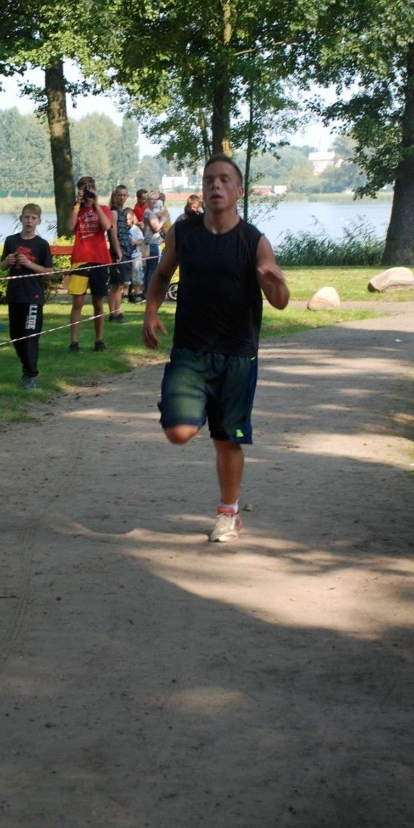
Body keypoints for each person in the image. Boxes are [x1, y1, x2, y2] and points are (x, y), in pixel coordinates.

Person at [142, 154, 289, 542]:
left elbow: (280, 300)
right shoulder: (184, 234)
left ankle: (229, 514)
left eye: (224, 180)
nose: (216, 186)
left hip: (238, 355)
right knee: (179, 431)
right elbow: (160, 276)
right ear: (202, 189)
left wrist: (274, 281)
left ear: (239, 191)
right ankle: (189, 405)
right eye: (209, 180)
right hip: (190, 351)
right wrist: (150, 312)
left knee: (227, 439)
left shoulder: (254, 240)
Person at [0, 205, 53, 389]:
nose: (29, 221)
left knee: (30, 336)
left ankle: (31, 375)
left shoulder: (41, 244)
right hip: (15, 295)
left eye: (33, 218)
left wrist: (30, 264)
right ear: (21, 219)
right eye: (26, 217)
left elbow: (49, 272)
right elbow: (2, 267)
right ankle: (26, 367)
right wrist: (8, 261)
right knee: (16, 336)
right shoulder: (11, 241)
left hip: (33, 295)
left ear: (38, 221)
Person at [67, 175, 112, 352]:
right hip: (80, 260)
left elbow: (107, 226)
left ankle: (99, 340)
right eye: (83, 188)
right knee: (77, 303)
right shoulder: (76, 209)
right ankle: (74, 342)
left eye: (89, 187)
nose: (86, 191)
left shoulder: (103, 208)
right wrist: (77, 203)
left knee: (98, 303)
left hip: (99, 259)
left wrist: (96, 203)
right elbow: (70, 227)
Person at [107, 185, 133, 322]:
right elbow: (113, 235)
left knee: (121, 284)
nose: (122, 197)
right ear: (115, 196)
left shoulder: (124, 212)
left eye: (124, 195)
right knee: (115, 284)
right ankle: (113, 313)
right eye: (119, 195)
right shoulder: (113, 212)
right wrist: (119, 253)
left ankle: (118, 311)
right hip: (118, 252)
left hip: (126, 250)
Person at [142, 189, 164, 295]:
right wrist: (163, 219)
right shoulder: (149, 213)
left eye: (156, 199)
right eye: (152, 199)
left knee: (149, 268)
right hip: (152, 243)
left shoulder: (151, 212)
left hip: (149, 243)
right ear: (147, 200)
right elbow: (156, 228)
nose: (154, 201)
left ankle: (146, 290)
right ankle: (150, 292)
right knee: (152, 269)